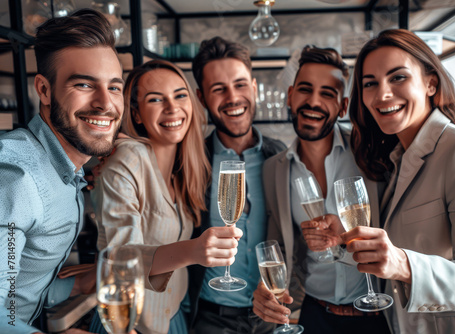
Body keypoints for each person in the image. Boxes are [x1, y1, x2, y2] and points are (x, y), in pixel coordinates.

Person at [343, 29, 455, 333]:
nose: (382, 94)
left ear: (430, 83)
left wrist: (403, 264)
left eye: (397, 77)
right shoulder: (397, 158)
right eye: (370, 83)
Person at [90, 59, 242, 334]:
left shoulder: (184, 170)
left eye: (180, 95)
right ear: (136, 115)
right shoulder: (127, 159)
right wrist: (194, 250)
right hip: (129, 323)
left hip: (174, 318)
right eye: (156, 100)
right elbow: (119, 257)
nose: (173, 108)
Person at [0, 9, 124, 334]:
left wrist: (76, 286)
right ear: (43, 90)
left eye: (114, 87)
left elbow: (16, 291)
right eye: (84, 84)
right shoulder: (16, 178)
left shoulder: (67, 171)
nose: (105, 104)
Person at [252, 46, 391, 334]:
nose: (313, 101)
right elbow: (278, 247)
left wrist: (344, 234)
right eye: (305, 90)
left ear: (342, 106)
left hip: (377, 313)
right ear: (290, 96)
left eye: (327, 93)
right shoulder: (273, 170)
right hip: (314, 315)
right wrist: (267, 288)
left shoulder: (371, 154)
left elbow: (397, 223)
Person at [188, 36, 286, 334]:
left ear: (254, 88)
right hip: (211, 318)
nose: (232, 97)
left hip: (270, 313)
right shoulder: (191, 160)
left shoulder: (280, 155)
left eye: (240, 84)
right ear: (202, 98)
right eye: (218, 89)